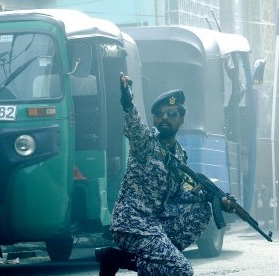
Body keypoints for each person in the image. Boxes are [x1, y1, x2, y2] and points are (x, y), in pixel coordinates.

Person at [96, 74, 234, 276]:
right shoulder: (145, 142)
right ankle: (157, 261)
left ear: (181, 120)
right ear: (154, 118)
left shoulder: (179, 155)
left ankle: (120, 258)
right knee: (181, 270)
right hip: (132, 223)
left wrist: (213, 199)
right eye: (160, 114)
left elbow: (177, 197)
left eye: (172, 113)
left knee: (203, 209)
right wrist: (127, 100)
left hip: (156, 223)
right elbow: (134, 126)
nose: (165, 118)